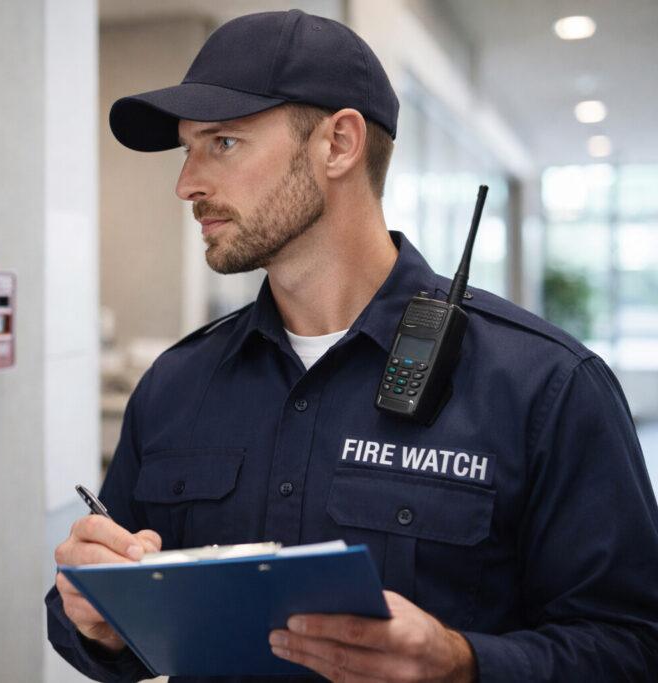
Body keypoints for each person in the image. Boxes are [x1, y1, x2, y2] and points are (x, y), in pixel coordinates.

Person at [45, 10, 658, 682]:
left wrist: (463, 662)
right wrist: (92, 616)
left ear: (338, 144)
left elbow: (632, 645)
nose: (186, 183)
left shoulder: (545, 385)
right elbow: (106, 622)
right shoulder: (176, 384)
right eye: (188, 148)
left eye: (221, 143)